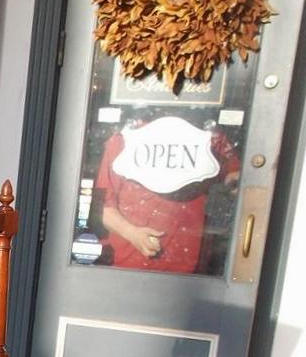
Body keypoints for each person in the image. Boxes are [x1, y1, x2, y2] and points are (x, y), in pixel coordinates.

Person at [96, 117, 239, 274]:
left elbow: (236, 181)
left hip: (192, 271)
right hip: (130, 267)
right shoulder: (125, 138)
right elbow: (103, 207)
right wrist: (133, 234)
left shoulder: (212, 138)